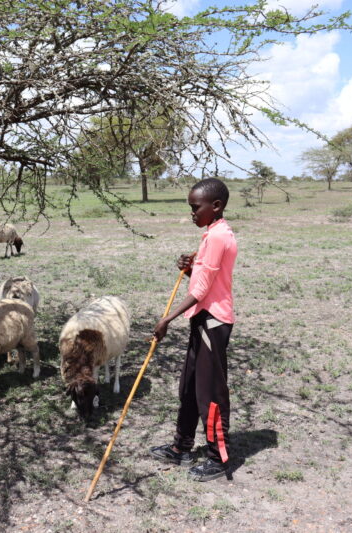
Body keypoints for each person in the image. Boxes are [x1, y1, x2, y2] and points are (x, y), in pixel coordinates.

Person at [150, 178, 237, 482]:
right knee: (188, 388)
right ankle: (181, 447)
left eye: (194, 207)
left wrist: (166, 319)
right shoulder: (210, 234)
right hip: (201, 319)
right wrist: (190, 266)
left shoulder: (217, 237)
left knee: (210, 394)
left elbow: (200, 290)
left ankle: (218, 458)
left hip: (212, 323)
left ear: (216, 206)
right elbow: (201, 276)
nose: (191, 213)